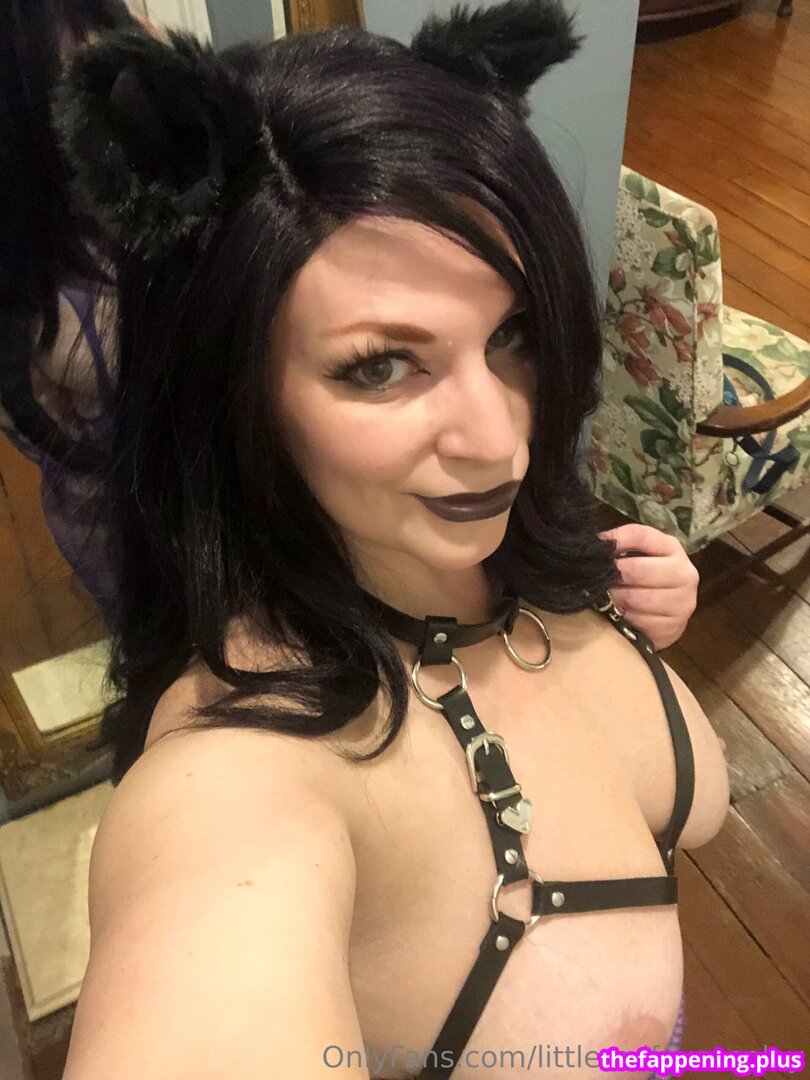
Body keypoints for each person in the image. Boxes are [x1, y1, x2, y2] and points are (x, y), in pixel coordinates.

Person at [51, 3, 726, 1077]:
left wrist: (637, 617)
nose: (502, 440)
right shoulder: (239, 788)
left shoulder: (508, 556)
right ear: (233, 394)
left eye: (511, 334)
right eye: (380, 365)